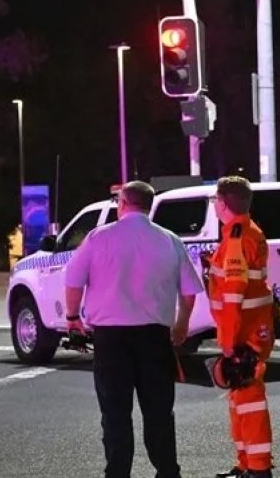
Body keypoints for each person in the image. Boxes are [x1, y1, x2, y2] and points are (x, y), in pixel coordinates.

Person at [63, 181, 203, 478]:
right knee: (159, 413)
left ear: (122, 204)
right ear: (149, 206)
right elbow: (189, 292)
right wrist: (181, 323)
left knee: (115, 413)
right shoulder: (169, 240)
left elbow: (73, 281)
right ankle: (167, 471)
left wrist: (73, 316)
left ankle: (118, 473)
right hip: (155, 338)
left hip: (111, 339)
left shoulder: (99, 237)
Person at [210, 176, 276, 478]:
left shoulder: (237, 237)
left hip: (243, 332)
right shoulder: (245, 232)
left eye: (215, 200)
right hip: (252, 328)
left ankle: (258, 469)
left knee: (248, 402)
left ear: (223, 204)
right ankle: (247, 465)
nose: (214, 205)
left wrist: (228, 340)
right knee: (240, 400)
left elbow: (234, 294)